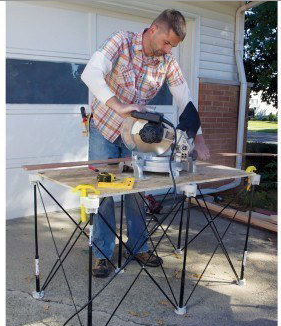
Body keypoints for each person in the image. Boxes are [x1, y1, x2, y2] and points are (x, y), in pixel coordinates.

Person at [81, 9, 210, 278]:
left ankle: (138, 246)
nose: (167, 50)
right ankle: (102, 253)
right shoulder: (121, 41)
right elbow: (90, 74)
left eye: (172, 46)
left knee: (138, 189)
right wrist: (118, 106)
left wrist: (197, 135)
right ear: (154, 30)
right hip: (103, 127)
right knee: (103, 190)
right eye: (166, 43)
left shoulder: (167, 61)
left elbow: (185, 98)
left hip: (136, 134)